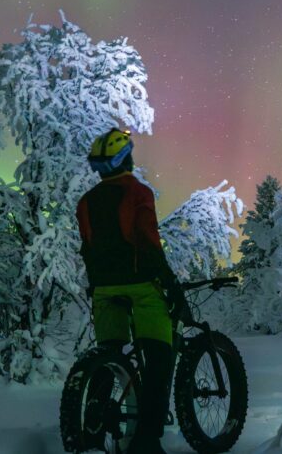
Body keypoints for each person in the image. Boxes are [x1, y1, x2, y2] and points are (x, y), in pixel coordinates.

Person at [76, 128, 183, 454]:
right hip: (140, 286)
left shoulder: (87, 201)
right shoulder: (138, 193)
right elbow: (148, 242)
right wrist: (168, 280)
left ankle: (92, 432)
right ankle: (147, 440)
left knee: (109, 355)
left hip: (104, 290)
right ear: (126, 158)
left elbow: (88, 247)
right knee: (159, 357)